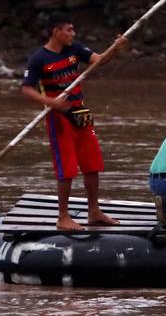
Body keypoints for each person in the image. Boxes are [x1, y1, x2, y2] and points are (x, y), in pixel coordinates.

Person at [20, 12, 126, 231]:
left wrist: (115, 48)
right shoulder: (39, 58)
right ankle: (63, 216)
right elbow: (26, 89)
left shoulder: (75, 49)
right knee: (66, 169)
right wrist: (50, 102)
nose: (73, 33)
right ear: (55, 32)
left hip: (81, 114)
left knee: (92, 164)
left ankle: (94, 211)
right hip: (59, 119)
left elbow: (99, 61)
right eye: (68, 29)